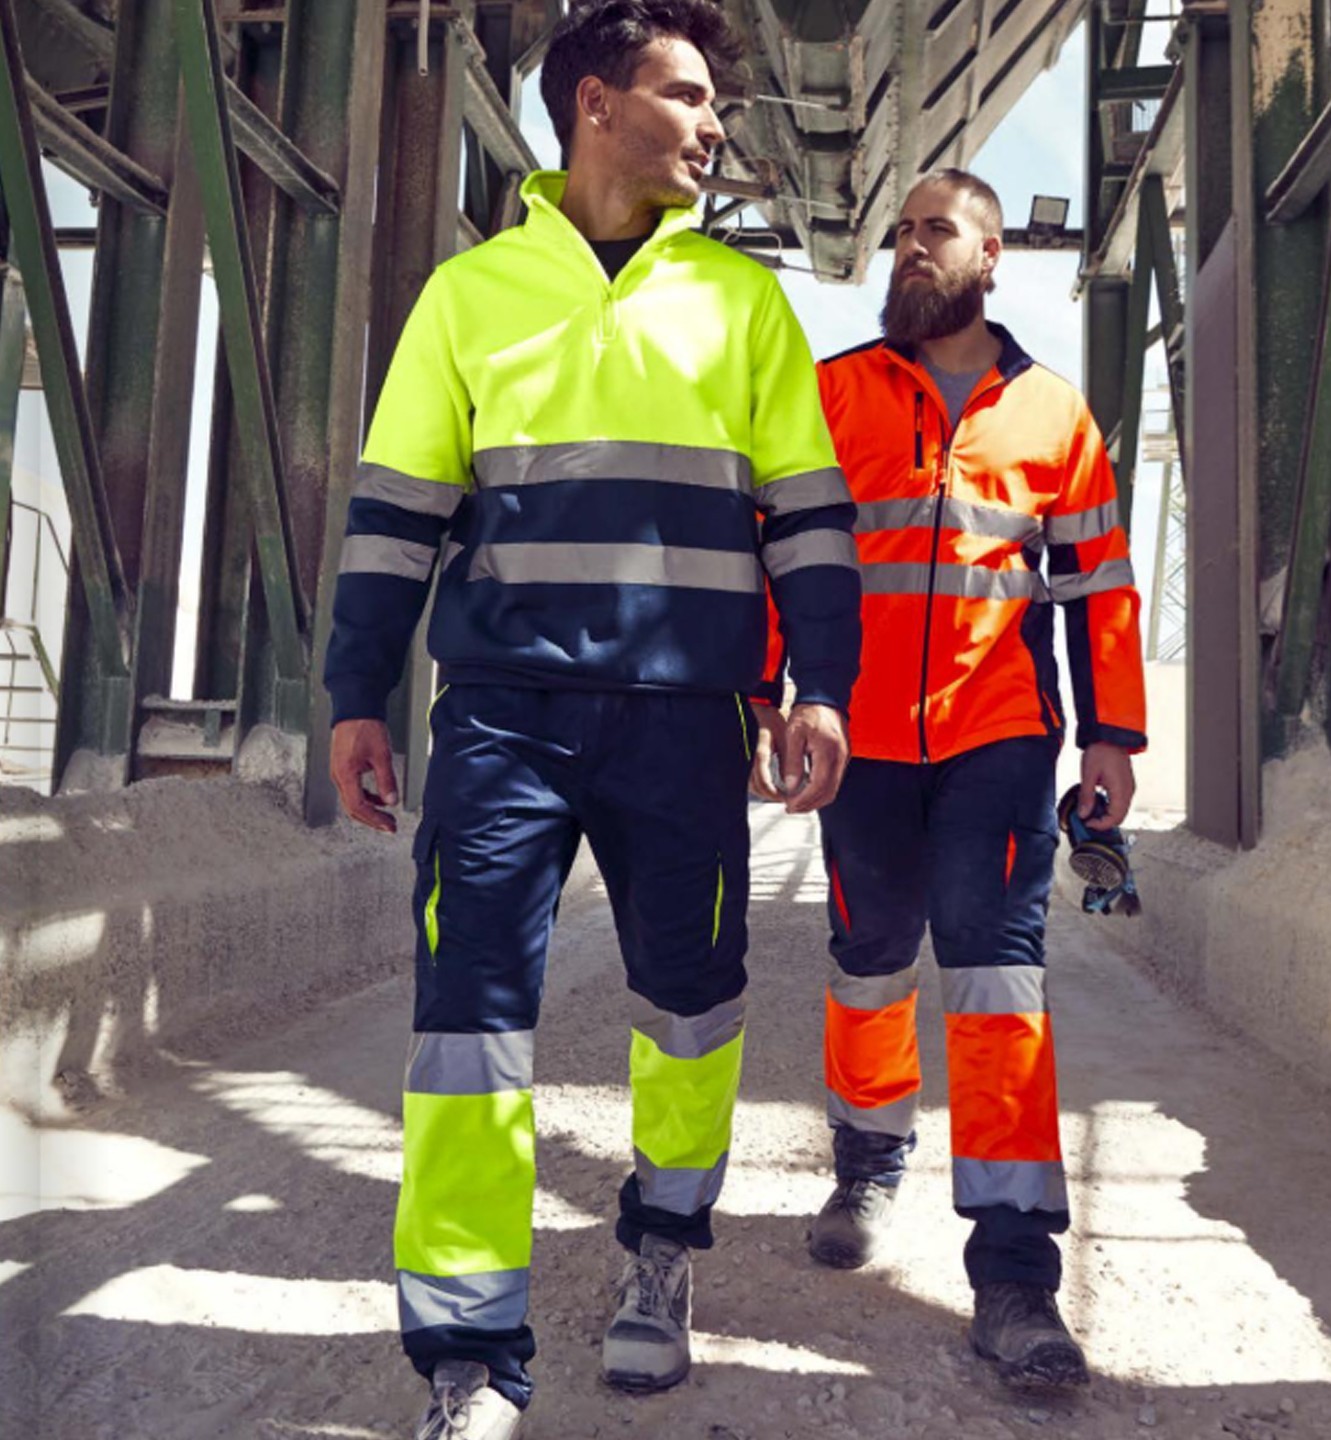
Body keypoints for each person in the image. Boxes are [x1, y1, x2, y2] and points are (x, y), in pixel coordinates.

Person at [324, 3, 861, 1434]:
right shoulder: (471, 295)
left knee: (693, 1002)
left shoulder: (745, 304)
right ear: (597, 106)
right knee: (467, 1020)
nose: (714, 125)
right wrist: (356, 693)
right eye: (686, 95)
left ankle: (664, 1250)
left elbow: (808, 518)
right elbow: (395, 513)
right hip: (502, 713)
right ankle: (466, 1356)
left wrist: (820, 684)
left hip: (685, 716)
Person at [751, 169, 1147, 1389]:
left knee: (996, 980)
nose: (912, 248)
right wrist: (764, 695)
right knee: (869, 962)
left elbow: (1098, 587)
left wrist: (1113, 736)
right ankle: (868, 1165)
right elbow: (781, 556)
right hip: (858, 740)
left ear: (990, 257)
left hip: (999, 738)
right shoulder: (832, 395)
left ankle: (1016, 1272)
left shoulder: (1055, 416)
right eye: (902, 232)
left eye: (938, 230)